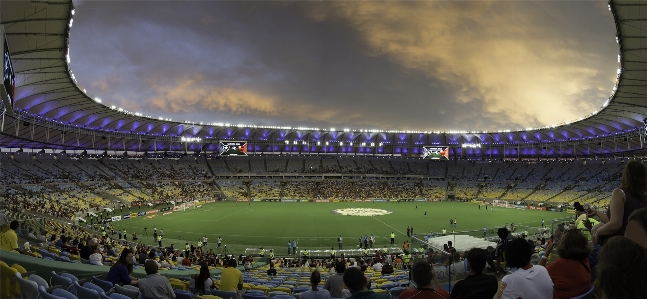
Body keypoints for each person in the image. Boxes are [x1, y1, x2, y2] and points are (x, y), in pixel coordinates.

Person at [595, 160, 647, 244]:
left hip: (621, 244)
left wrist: (598, 231)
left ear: (626, 175)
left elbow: (615, 225)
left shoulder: (619, 193)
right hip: (642, 244)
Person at [538, 229, 591, 299]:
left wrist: (546, 254)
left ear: (564, 245)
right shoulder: (585, 261)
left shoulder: (560, 264)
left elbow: (536, 276)